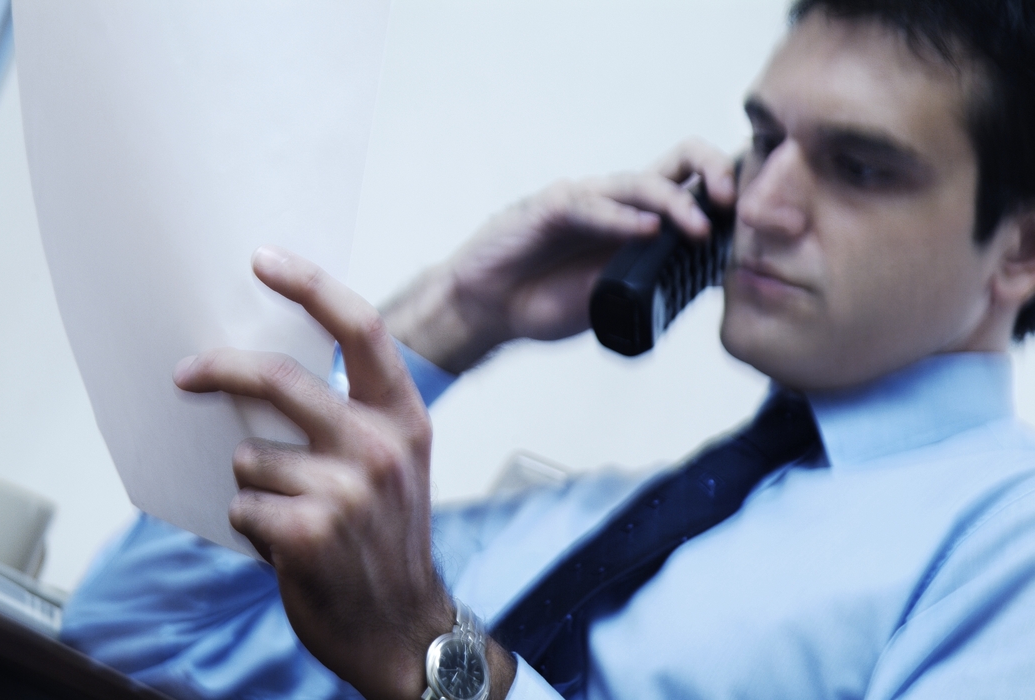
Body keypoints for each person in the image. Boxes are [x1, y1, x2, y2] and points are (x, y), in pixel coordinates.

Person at [61, 0, 1035, 698]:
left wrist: (427, 661)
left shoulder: (1004, 546)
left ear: (1019, 250)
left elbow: (417, 640)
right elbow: (133, 635)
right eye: (763, 141)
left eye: (857, 168)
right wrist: (461, 310)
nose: (763, 204)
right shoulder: (585, 523)